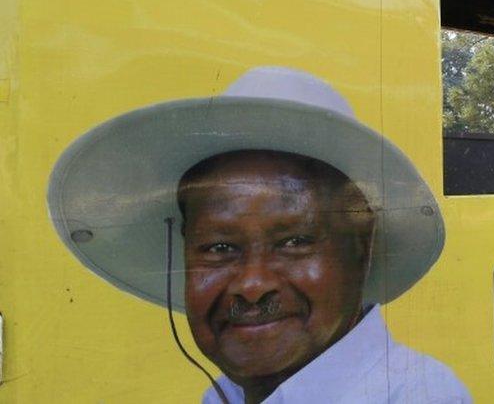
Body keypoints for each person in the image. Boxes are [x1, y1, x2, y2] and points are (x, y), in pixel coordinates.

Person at [47, 66, 471, 403]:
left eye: (294, 242)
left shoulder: (417, 396)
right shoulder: (224, 397)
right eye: (218, 247)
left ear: (361, 248)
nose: (252, 285)